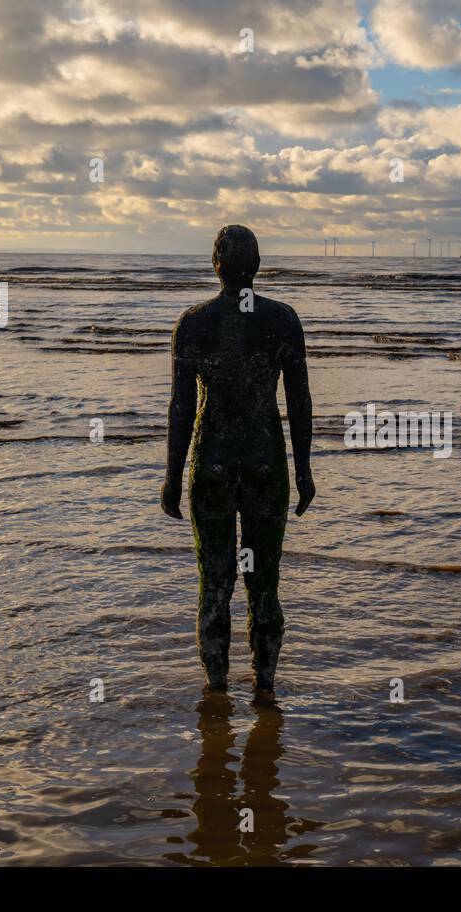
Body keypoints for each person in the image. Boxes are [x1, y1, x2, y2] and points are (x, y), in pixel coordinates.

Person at [160, 225, 315, 693]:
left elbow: (181, 407)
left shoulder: (193, 322)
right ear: (257, 265)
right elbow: (300, 401)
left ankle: (218, 686)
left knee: (216, 580)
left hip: (212, 463)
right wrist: (305, 469)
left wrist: (171, 475)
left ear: (217, 264)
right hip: (266, 461)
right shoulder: (282, 320)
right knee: (264, 580)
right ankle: (264, 684)